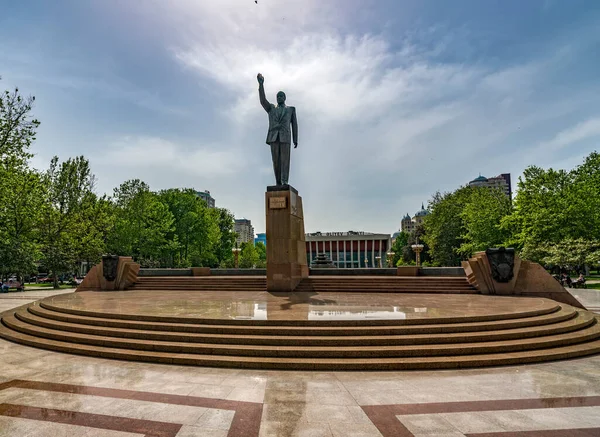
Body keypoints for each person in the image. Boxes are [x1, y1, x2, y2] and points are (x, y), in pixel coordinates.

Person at [257, 73, 298, 186]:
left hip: (285, 137)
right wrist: (261, 85)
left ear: (285, 98)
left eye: (281, 96)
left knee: (285, 161)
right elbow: (262, 101)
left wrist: (295, 139)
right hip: (274, 137)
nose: (279, 98)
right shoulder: (271, 108)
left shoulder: (291, 109)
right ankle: (278, 182)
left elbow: (294, 124)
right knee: (276, 161)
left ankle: (285, 181)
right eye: (277, 96)